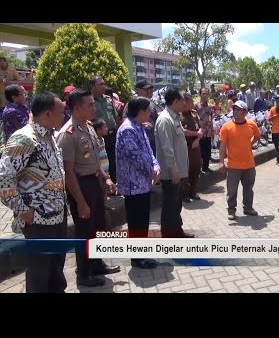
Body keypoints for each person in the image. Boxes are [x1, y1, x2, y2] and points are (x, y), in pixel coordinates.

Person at [0, 91, 68, 293]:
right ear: (47, 114)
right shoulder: (24, 139)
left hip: (57, 214)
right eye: (61, 112)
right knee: (40, 273)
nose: (64, 116)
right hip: (38, 219)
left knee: (56, 270)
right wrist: (23, 210)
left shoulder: (49, 136)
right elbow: (4, 178)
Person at [57, 89, 120, 287]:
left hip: (95, 182)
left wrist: (106, 178)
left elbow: (95, 159)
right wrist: (81, 203)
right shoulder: (68, 134)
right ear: (76, 108)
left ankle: (97, 264)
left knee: (99, 227)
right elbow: (69, 173)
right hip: (81, 186)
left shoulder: (89, 127)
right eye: (90, 105)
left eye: (94, 104)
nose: (94, 108)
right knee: (85, 232)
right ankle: (83, 275)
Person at [116, 97, 160, 268]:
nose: (150, 114)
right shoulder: (127, 130)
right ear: (140, 112)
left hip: (142, 184)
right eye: (148, 111)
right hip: (133, 186)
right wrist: (152, 171)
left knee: (143, 221)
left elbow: (148, 150)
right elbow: (136, 157)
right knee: (136, 223)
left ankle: (142, 253)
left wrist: (155, 166)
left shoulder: (138, 126)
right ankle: (137, 258)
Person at [155, 87, 194, 238]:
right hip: (172, 173)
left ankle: (177, 232)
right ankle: (169, 237)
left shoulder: (174, 117)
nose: (184, 103)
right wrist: (173, 170)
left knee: (176, 205)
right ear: (176, 101)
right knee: (170, 207)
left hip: (179, 171)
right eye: (182, 100)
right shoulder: (165, 119)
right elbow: (167, 148)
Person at [219, 100, 261, 220]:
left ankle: (248, 208)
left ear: (244, 112)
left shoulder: (251, 125)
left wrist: (250, 144)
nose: (235, 111)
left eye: (238, 109)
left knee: (248, 188)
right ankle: (231, 210)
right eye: (234, 109)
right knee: (232, 190)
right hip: (233, 166)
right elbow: (222, 145)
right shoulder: (226, 127)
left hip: (249, 164)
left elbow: (257, 135)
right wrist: (221, 162)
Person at [91, 76, 118, 183]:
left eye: (104, 84)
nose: (103, 86)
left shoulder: (108, 99)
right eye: (100, 84)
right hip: (99, 136)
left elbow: (114, 115)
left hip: (112, 134)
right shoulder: (91, 101)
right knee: (101, 161)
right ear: (92, 86)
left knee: (113, 160)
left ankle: (114, 183)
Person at [181, 93, 203, 203]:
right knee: (186, 171)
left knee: (196, 169)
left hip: (195, 146)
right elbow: (182, 132)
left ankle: (193, 192)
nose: (193, 103)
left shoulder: (194, 114)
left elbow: (201, 129)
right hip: (186, 147)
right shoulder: (179, 115)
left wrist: (198, 138)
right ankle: (184, 194)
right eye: (191, 101)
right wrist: (196, 134)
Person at [196, 87, 214, 173]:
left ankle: (206, 168)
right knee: (200, 152)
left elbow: (211, 118)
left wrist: (212, 129)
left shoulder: (210, 106)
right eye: (203, 93)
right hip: (200, 132)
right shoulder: (196, 105)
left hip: (208, 132)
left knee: (208, 151)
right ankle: (199, 169)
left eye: (207, 93)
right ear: (200, 94)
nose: (205, 95)